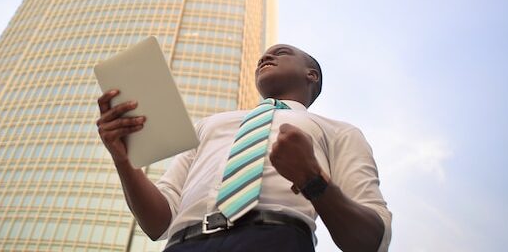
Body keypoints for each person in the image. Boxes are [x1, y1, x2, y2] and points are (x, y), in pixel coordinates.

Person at [96, 44, 391, 251]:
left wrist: (312, 180)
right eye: (263, 56)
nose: (266, 56)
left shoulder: (339, 132)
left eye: (281, 52)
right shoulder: (209, 125)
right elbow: (159, 222)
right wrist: (124, 161)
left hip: (276, 241)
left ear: (311, 74)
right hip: (182, 245)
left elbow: (370, 241)